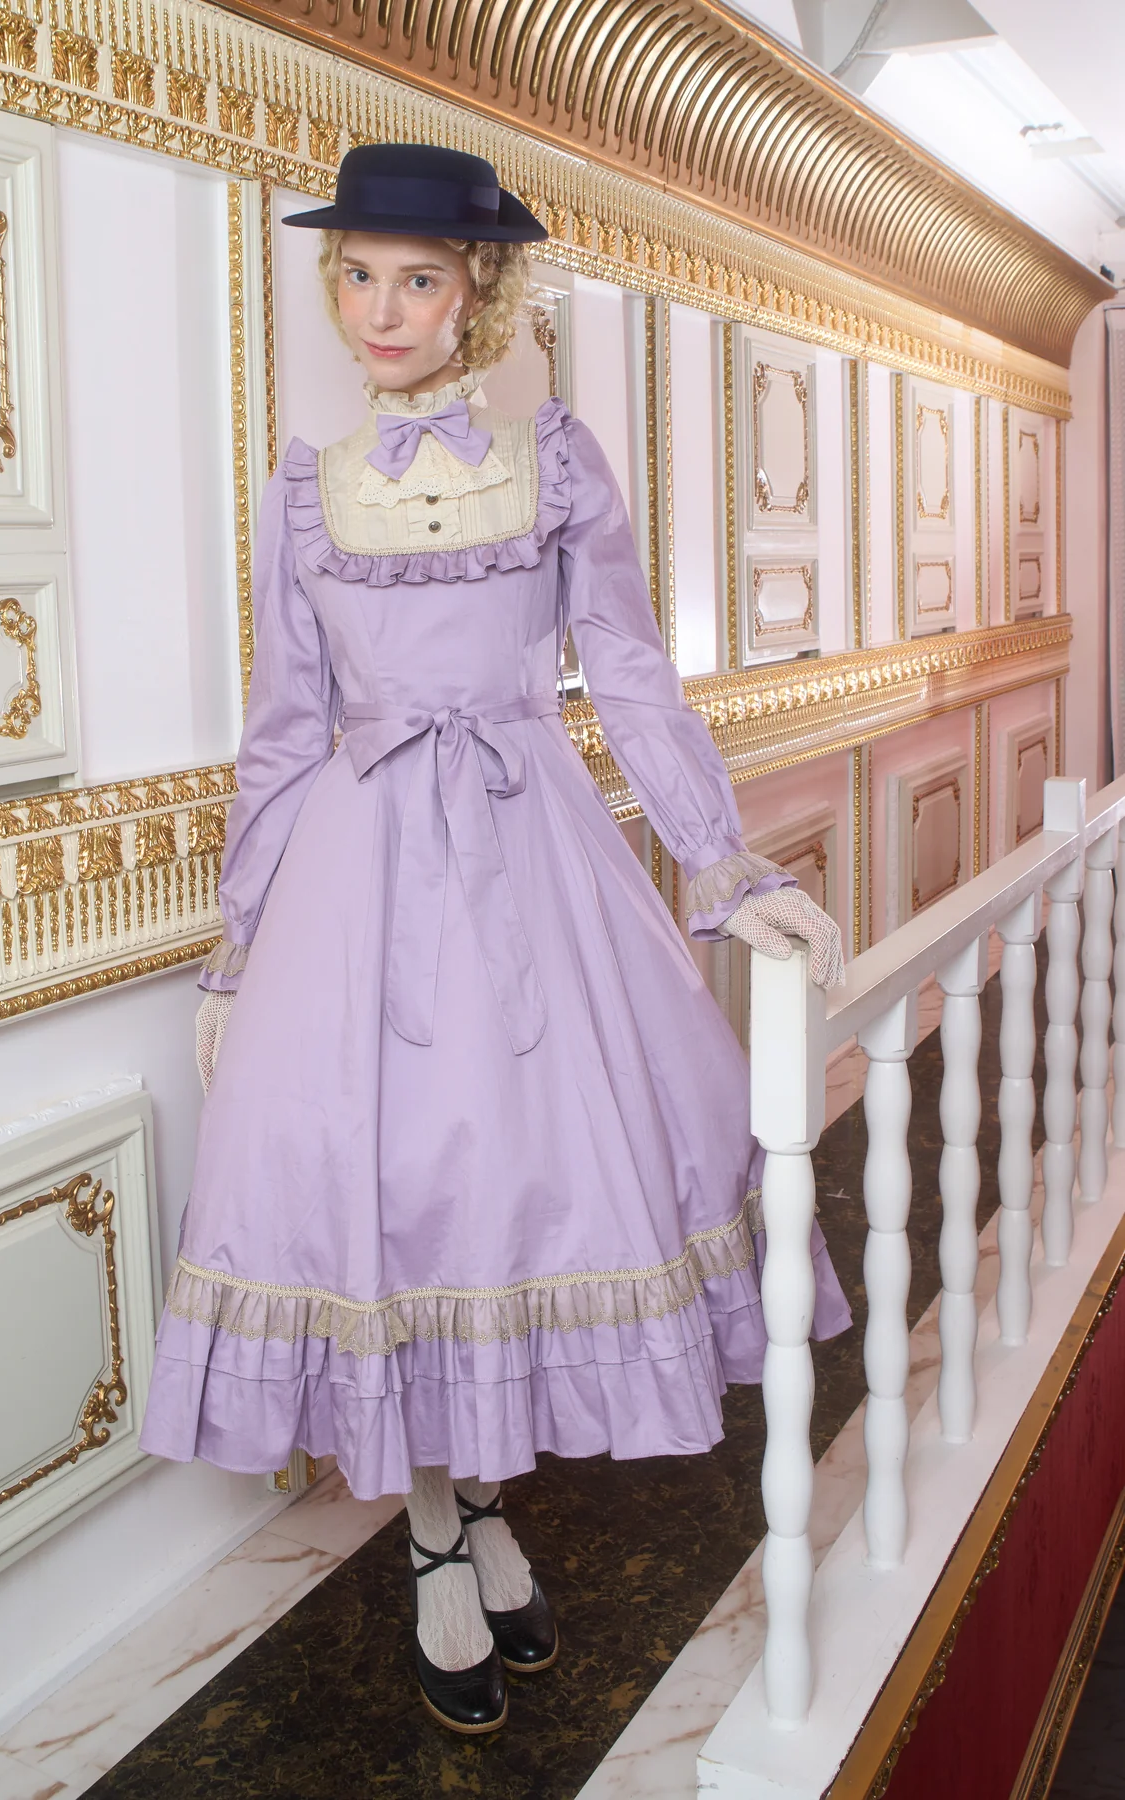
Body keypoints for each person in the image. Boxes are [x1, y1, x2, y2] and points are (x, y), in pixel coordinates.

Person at [140, 142, 850, 1736]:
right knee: (388, 1205)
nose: (380, 308)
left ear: (478, 296)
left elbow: (634, 674)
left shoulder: (559, 464)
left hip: (530, 857)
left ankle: (472, 1511)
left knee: (512, 1192)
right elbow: (282, 733)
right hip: (354, 879)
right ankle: (441, 1533)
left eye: (417, 278)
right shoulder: (305, 490)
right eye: (357, 274)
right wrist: (238, 949)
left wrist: (722, 865)